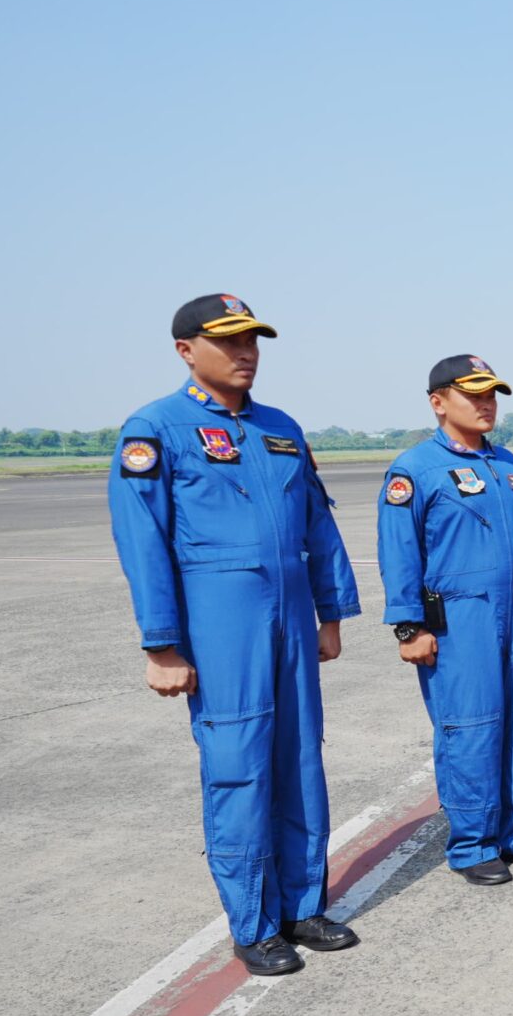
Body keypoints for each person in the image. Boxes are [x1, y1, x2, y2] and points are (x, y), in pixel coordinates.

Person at [107, 295, 361, 976]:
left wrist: (330, 612)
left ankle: (302, 906)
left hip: (291, 615)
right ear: (186, 350)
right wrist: (161, 643)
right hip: (221, 620)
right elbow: (143, 542)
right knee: (239, 766)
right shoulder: (156, 428)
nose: (245, 352)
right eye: (229, 341)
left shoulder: (280, 428)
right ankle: (254, 922)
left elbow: (317, 522)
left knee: (300, 760)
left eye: (252, 341)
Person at [378, 356, 513, 889]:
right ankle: (473, 843)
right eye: (473, 394)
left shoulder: (511, 466)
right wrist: (408, 626)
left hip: (512, 614)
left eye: (491, 394)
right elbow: (399, 552)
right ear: (438, 402)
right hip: (458, 619)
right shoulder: (416, 470)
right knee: (470, 727)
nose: (486, 404)